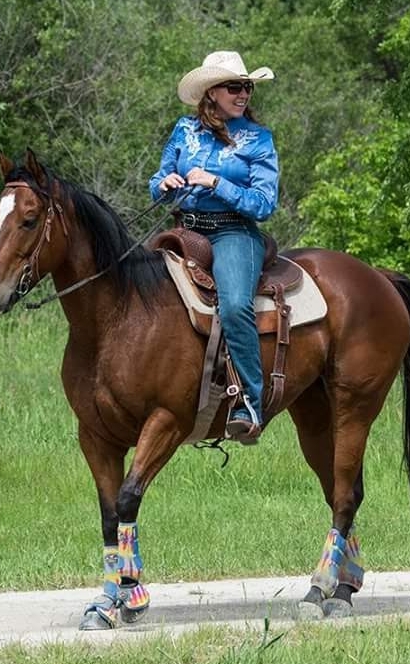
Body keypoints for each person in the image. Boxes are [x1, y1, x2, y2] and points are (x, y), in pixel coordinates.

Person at [150, 51, 279, 444]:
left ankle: (250, 404)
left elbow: (264, 203)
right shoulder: (183, 130)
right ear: (211, 92)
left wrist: (214, 183)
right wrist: (165, 183)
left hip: (233, 233)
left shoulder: (259, 140)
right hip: (184, 229)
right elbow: (157, 179)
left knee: (236, 304)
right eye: (235, 87)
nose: (244, 94)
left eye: (247, 87)